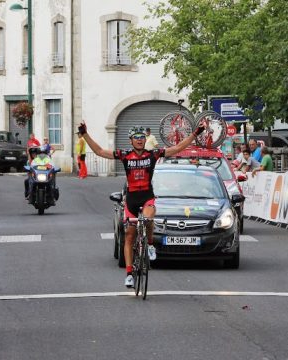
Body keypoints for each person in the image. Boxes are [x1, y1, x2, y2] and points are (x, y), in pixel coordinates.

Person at [79, 119, 206, 288]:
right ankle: (129, 274)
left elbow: (177, 148)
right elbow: (100, 151)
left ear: (145, 139)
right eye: (135, 137)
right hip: (131, 199)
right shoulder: (124, 155)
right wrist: (85, 134)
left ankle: (151, 245)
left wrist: (195, 134)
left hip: (147, 196)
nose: (139, 139)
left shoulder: (153, 154)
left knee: (148, 219)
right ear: (131, 140)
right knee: (130, 236)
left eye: (141, 137)